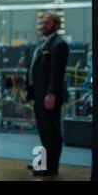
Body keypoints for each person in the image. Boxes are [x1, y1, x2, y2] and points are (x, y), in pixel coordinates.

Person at [26, 12, 69, 176]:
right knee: (43, 131)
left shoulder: (59, 44)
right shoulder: (42, 44)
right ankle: (44, 161)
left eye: (47, 23)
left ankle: (51, 166)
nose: (43, 25)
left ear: (56, 25)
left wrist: (51, 94)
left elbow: (56, 73)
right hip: (38, 94)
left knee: (52, 131)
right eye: (42, 22)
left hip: (49, 96)